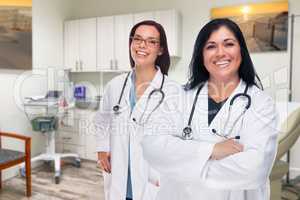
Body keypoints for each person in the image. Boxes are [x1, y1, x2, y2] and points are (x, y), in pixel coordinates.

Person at [141, 18, 279, 200]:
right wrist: (211, 150)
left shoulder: (261, 103)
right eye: (211, 46)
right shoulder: (178, 98)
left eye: (229, 44)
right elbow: (152, 147)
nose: (220, 53)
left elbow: (254, 169)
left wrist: (181, 162)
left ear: (241, 51)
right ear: (202, 55)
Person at [94, 20, 181, 200]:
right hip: (119, 176)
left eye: (151, 41)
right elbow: (102, 119)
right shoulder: (115, 85)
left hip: (152, 179)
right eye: (138, 39)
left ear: (161, 49)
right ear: (131, 43)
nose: (142, 45)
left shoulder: (174, 91)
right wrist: (102, 148)